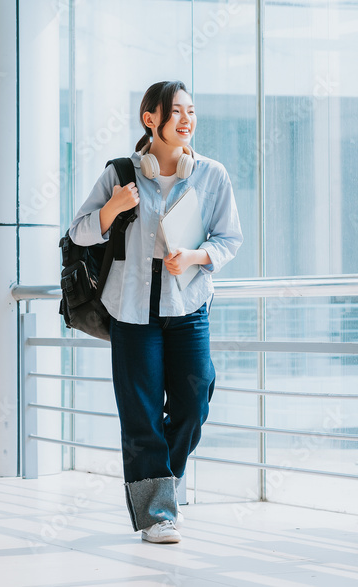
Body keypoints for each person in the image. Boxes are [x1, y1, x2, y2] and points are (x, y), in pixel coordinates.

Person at [68, 80, 242, 543]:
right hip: (131, 309)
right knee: (141, 413)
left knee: (195, 397)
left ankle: (160, 484)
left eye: (191, 111)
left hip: (188, 303)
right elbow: (79, 233)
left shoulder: (211, 174)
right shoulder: (121, 173)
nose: (187, 120)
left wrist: (195, 256)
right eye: (177, 111)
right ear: (151, 119)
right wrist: (111, 210)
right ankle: (157, 515)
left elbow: (229, 239)